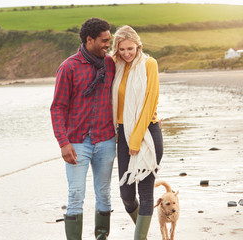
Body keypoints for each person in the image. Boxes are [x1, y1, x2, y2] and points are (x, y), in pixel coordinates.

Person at [50, 18, 116, 240]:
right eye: (104, 41)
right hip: (77, 142)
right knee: (76, 194)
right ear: (90, 40)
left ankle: (101, 236)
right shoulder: (68, 67)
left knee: (104, 194)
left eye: (109, 40)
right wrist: (63, 142)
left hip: (106, 139)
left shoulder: (110, 65)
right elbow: (57, 108)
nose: (108, 44)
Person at [111, 25, 163, 240]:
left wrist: (136, 139)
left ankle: (140, 237)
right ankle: (143, 232)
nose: (126, 53)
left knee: (146, 190)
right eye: (122, 49)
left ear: (138, 46)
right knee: (126, 194)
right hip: (122, 133)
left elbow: (150, 102)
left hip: (147, 133)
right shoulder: (117, 66)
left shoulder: (149, 64)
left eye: (130, 49)